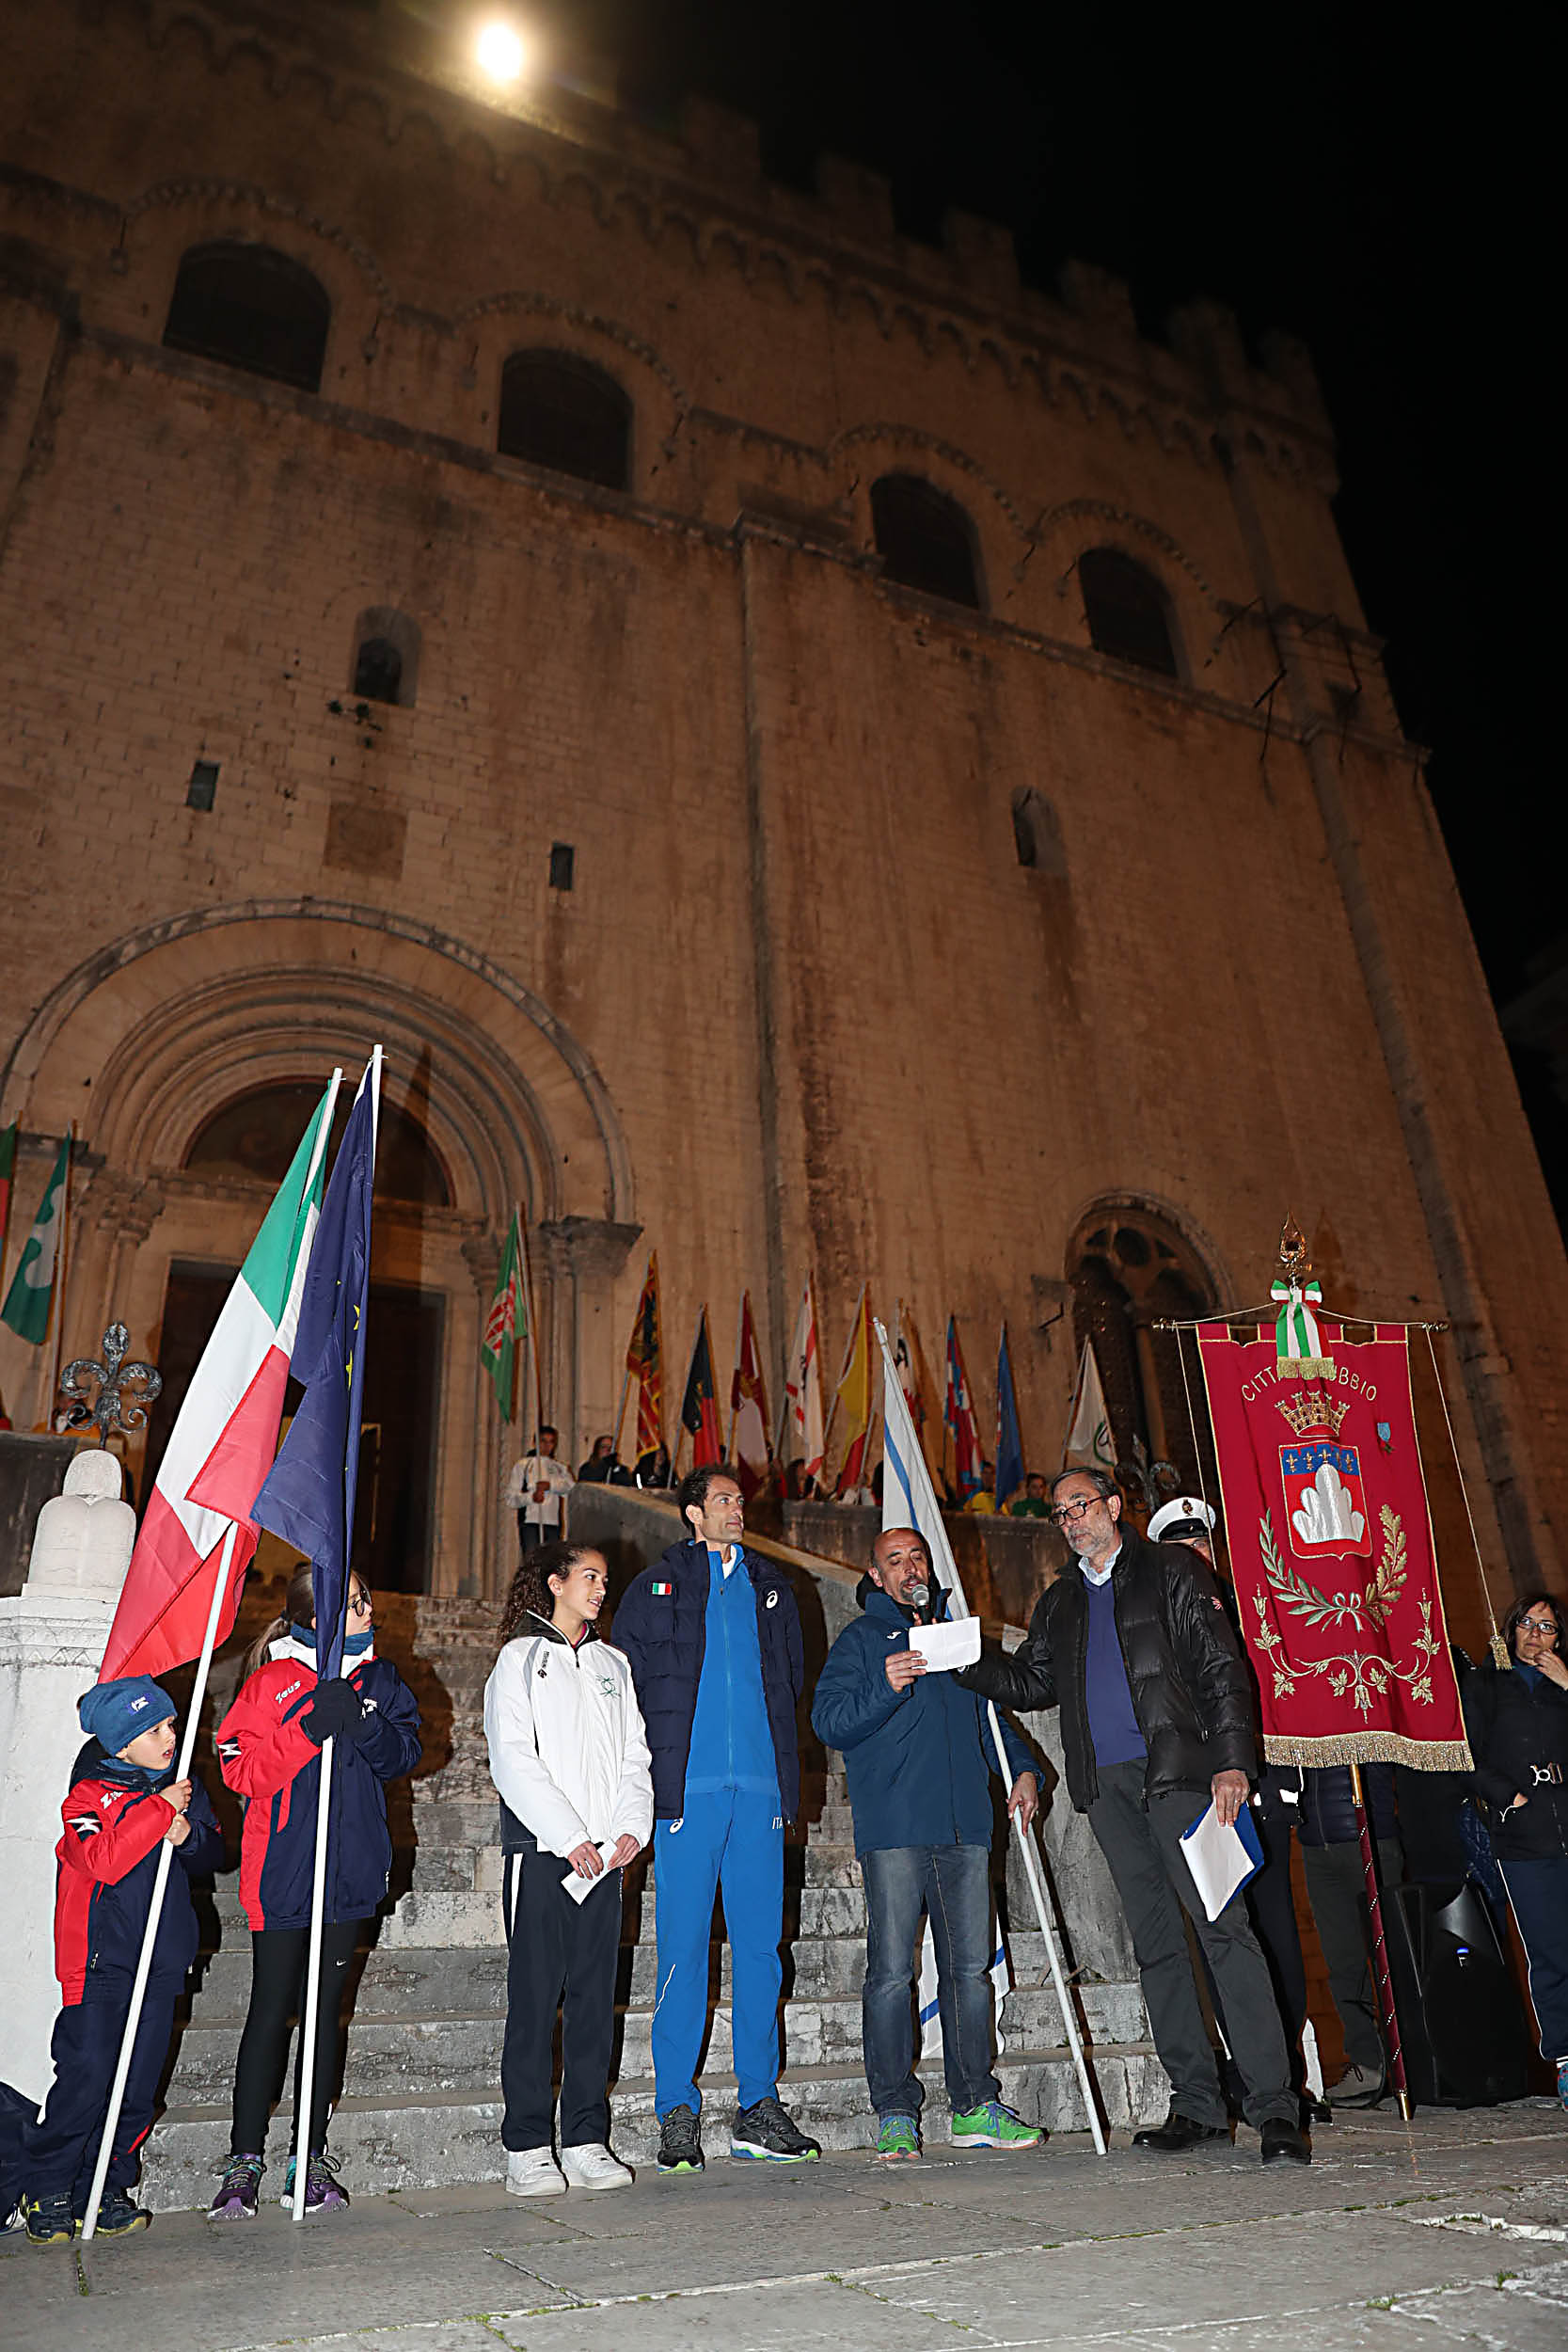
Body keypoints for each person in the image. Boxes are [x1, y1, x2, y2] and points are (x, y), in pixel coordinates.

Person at [962, 1467, 1308, 2163]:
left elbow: (1221, 1666)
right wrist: (963, 1661)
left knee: (1225, 1934)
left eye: (1081, 1505)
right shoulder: (1060, 1599)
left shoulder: (1172, 1570)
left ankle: (1274, 2108)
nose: (1072, 1520)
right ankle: (1197, 2104)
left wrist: (1232, 1761)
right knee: (1155, 1946)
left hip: (1184, 1776)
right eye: (1061, 1513)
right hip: (1109, 1790)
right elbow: (1031, 1683)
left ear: (1114, 1506)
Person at [812, 1525, 1042, 2160]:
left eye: (916, 1556)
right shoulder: (861, 1640)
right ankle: (894, 2111)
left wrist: (1022, 1768)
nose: (909, 1567)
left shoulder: (956, 1637)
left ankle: (974, 2106)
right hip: (894, 1829)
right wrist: (882, 1686)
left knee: (969, 1972)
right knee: (891, 1973)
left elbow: (990, 1714)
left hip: (965, 1827)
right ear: (876, 1575)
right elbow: (828, 1722)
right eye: (895, 1560)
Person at [612, 1462, 819, 2171]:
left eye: (740, 1499)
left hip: (759, 1794)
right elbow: (625, 1690)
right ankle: (676, 2107)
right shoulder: (655, 1587)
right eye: (724, 1499)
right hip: (686, 1796)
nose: (737, 1508)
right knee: (683, 1951)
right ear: (693, 1513)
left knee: (761, 1951)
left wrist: (784, 1786)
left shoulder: (772, 1587)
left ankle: (758, 2106)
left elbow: (789, 1680)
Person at [208, 1565, 422, 2219]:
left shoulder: (379, 1680)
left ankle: (309, 2153)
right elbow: (240, 1770)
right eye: (354, 1603)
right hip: (283, 1873)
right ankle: (245, 2156)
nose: (368, 1611)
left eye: (366, 1599)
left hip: (348, 1874)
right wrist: (306, 1731)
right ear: (314, 1617)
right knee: (271, 2009)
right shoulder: (271, 1681)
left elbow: (405, 1755)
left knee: (325, 2012)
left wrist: (362, 1725)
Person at [0, 1677, 222, 2245]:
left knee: (137, 2085)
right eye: (155, 1730)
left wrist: (186, 1834)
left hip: (160, 1959)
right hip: (98, 1964)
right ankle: (48, 2185)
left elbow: (214, 1853)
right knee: (88, 2075)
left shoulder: (182, 1788)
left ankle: (105, 2186)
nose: (171, 1737)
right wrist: (157, 1813)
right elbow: (102, 1859)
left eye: (171, 1725)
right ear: (121, 1744)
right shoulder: (86, 1799)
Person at [483, 1541, 653, 2195]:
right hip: (543, 1855)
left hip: (604, 1861)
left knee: (592, 2003)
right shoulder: (520, 1659)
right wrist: (567, 1836)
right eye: (589, 1576)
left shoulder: (613, 1663)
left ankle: (586, 2138)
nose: (600, 1588)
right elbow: (512, 1759)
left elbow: (634, 1756)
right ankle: (526, 2146)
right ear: (555, 1583)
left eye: (604, 1579)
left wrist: (629, 1828)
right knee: (534, 2002)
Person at [1465, 1590, 1568, 2109]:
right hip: (1524, 1837)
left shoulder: (1562, 1685)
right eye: (1526, 1623)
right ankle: (1566, 2060)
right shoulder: (1486, 1685)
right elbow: (1466, 1754)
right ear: (1510, 1629)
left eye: (1546, 1626)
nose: (1535, 1634)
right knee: (1550, 1950)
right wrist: (1511, 1799)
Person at [503, 1426, 574, 1552]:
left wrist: (550, 1485)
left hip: (553, 1523)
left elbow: (571, 1488)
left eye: (551, 1442)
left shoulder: (560, 1468)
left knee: (552, 1560)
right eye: (543, 1441)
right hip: (530, 1522)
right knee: (532, 1559)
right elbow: (511, 1499)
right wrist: (531, 1497)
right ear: (535, 1442)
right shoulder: (523, 1465)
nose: (547, 1446)